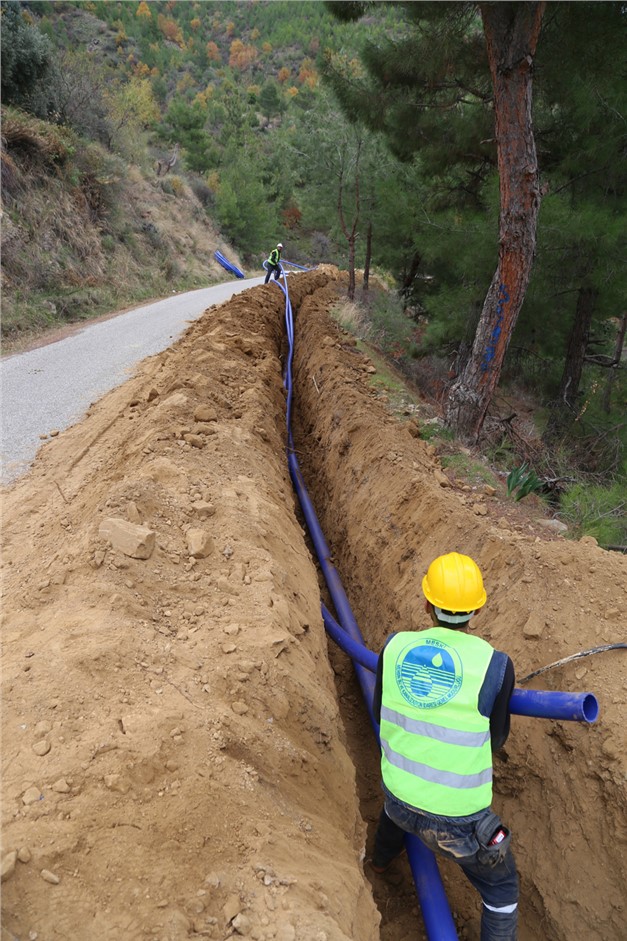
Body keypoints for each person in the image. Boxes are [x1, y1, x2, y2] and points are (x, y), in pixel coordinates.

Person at [372, 551, 518, 941]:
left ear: (426, 603)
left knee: (393, 812)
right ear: (477, 611)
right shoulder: (496, 665)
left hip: (398, 799)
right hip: (461, 825)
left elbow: (379, 710)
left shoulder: (394, 646)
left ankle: (380, 862)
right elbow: (497, 738)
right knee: (502, 891)